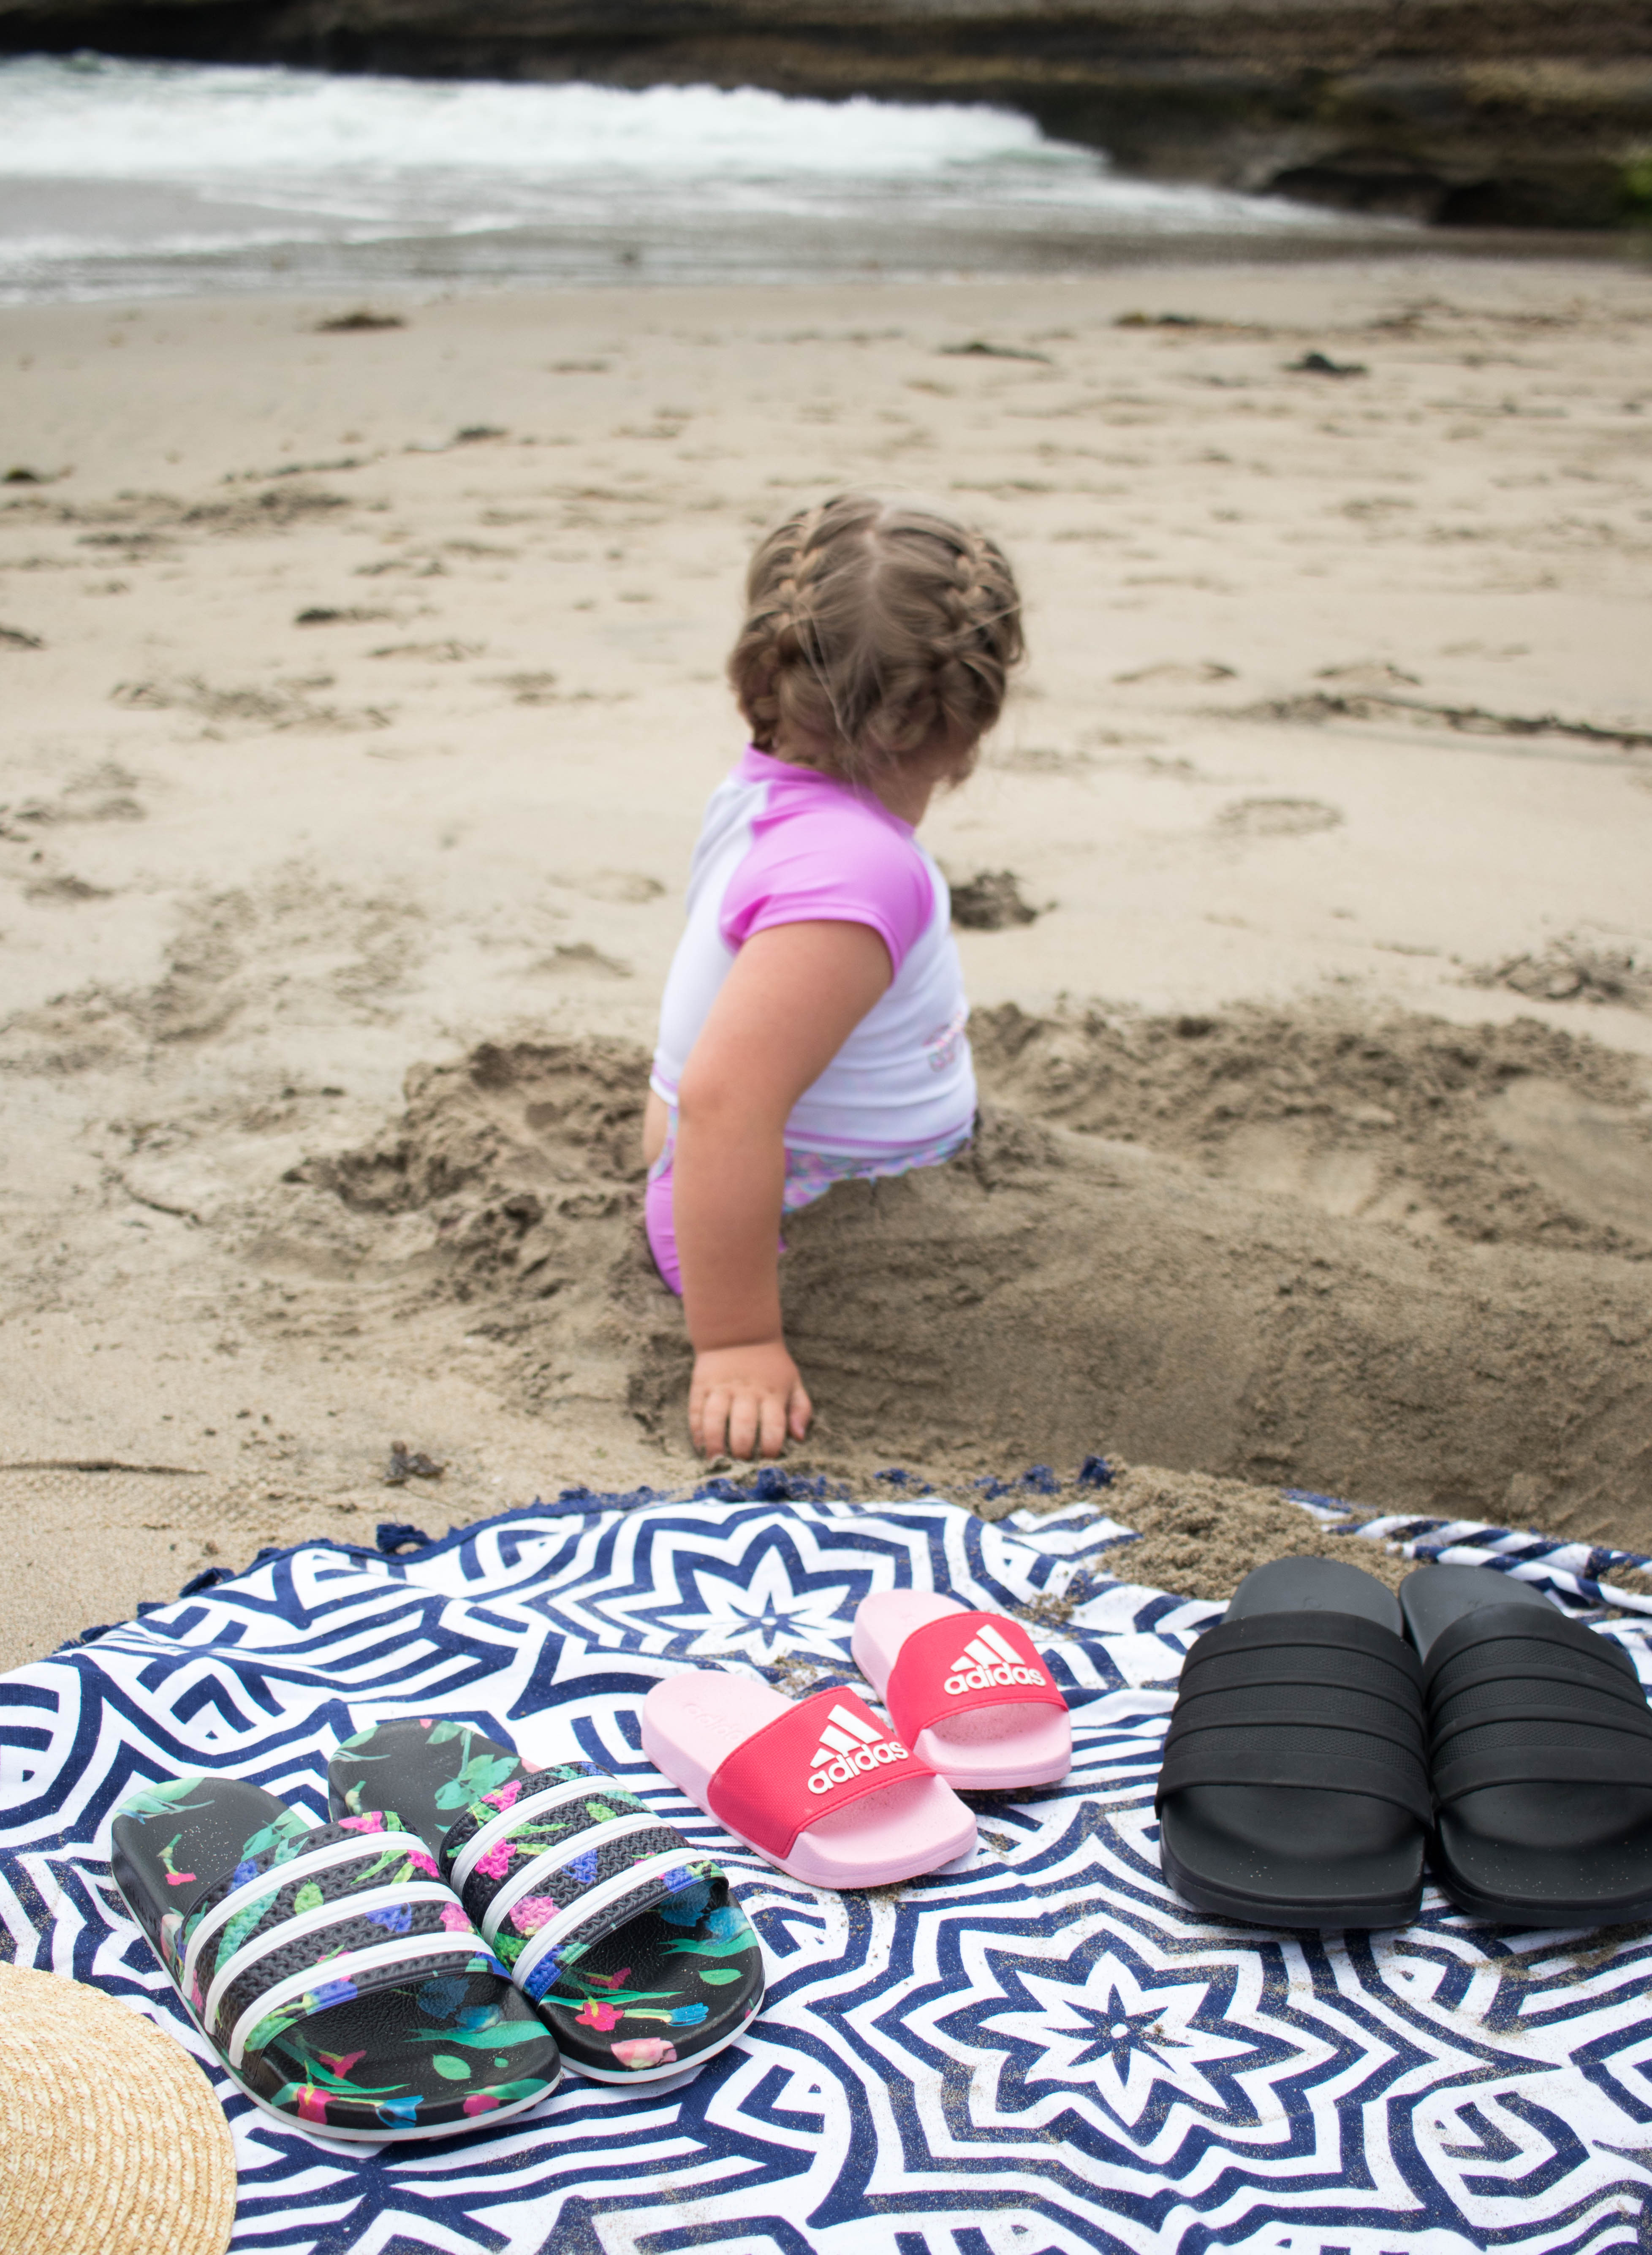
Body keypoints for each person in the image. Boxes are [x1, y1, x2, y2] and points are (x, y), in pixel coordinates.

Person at [644, 491, 1024, 1461]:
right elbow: (728, 1100)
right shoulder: (861, 873)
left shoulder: (761, 791)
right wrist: (740, 1342)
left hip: (750, 1165)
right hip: (814, 1213)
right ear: (966, 721)